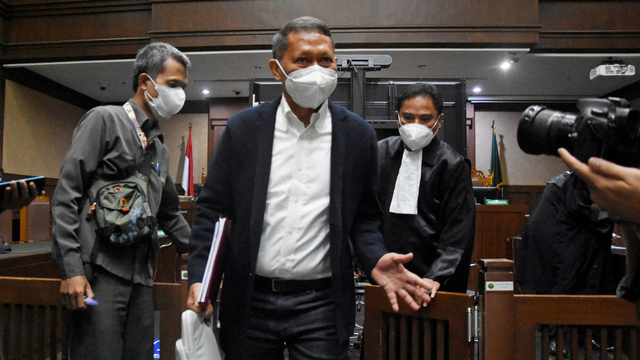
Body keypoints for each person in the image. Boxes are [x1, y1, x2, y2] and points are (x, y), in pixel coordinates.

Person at [186, 16, 436, 360]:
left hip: (322, 302)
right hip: (250, 298)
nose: (316, 69)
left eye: (326, 60)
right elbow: (213, 214)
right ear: (277, 69)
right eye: (302, 60)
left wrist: (375, 258)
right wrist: (202, 277)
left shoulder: (358, 136)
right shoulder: (243, 130)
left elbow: (364, 218)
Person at [51, 42, 191, 359]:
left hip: (142, 277)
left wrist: (206, 256)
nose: (180, 94)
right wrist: (71, 270)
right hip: (98, 275)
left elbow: (170, 214)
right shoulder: (104, 120)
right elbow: (66, 195)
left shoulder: (159, 149)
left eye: (183, 86)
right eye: (173, 84)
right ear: (145, 82)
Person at [377, 83, 475, 293]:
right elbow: (366, 211)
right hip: (384, 272)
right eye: (408, 117)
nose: (415, 124)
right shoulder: (380, 154)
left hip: (433, 278)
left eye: (425, 118)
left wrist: (436, 275)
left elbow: (458, 230)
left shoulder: (452, 164)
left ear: (439, 120)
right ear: (397, 116)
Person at [559, 148, 640, 320]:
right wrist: (626, 220)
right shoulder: (576, 182)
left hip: (588, 243)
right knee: (575, 284)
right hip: (579, 243)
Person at [515, 171, 615, 296]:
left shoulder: (574, 175)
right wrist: (616, 214)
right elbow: (583, 208)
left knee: (550, 287)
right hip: (557, 237)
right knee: (565, 288)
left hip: (548, 233)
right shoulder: (582, 179)